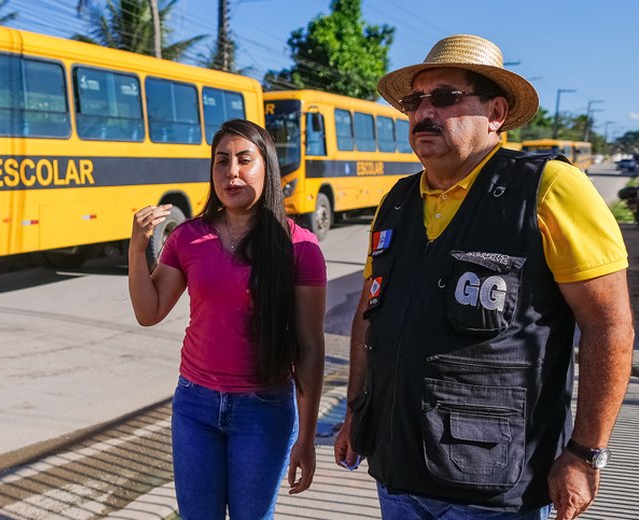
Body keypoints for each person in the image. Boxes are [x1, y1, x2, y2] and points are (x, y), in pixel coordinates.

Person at [333, 34, 634, 520]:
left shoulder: (550, 188)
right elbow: (371, 314)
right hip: (396, 473)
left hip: (495, 487)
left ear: (495, 113)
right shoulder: (396, 201)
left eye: (446, 98)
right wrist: (354, 411)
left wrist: (584, 453)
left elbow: (609, 326)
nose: (424, 112)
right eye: (416, 101)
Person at [129, 119, 326, 519]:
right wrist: (136, 248)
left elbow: (309, 346)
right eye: (221, 161)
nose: (231, 172)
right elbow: (149, 312)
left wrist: (306, 436)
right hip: (195, 406)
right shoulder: (187, 237)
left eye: (243, 160)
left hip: (265, 409)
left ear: (266, 167)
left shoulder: (300, 247)